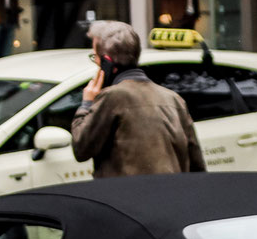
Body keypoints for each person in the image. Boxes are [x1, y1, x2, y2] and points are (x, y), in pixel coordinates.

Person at [70, 21, 207, 178]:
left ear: (107, 62)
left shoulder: (112, 97)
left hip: (125, 199)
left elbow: (81, 148)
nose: (96, 63)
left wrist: (86, 103)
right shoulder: (174, 99)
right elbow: (197, 167)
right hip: (171, 197)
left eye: (95, 57)